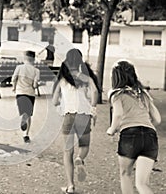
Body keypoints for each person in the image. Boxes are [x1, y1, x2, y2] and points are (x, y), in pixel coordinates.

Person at [106, 60, 161, 194]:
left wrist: (112, 130)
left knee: (125, 174)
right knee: (142, 184)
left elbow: (118, 114)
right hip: (150, 136)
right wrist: (144, 128)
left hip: (129, 135)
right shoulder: (144, 94)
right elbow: (157, 119)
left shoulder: (116, 94)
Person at [52, 48, 99, 194]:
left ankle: (70, 186)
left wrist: (62, 102)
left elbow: (54, 101)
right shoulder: (85, 77)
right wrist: (93, 107)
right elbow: (95, 91)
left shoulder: (62, 79)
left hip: (68, 116)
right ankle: (80, 158)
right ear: (80, 60)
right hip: (83, 115)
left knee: (67, 152)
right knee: (84, 146)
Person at [11, 50, 40, 143]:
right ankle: (26, 135)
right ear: (33, 59)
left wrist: (14, 88)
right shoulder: (36, 70)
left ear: (25, 58)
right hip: (30, 94)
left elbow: (14, 78)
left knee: (23, 112)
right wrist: (36, 85)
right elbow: (35, 85)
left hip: (20, 93)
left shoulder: (19, 67)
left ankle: (23, 117)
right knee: (29, 115)